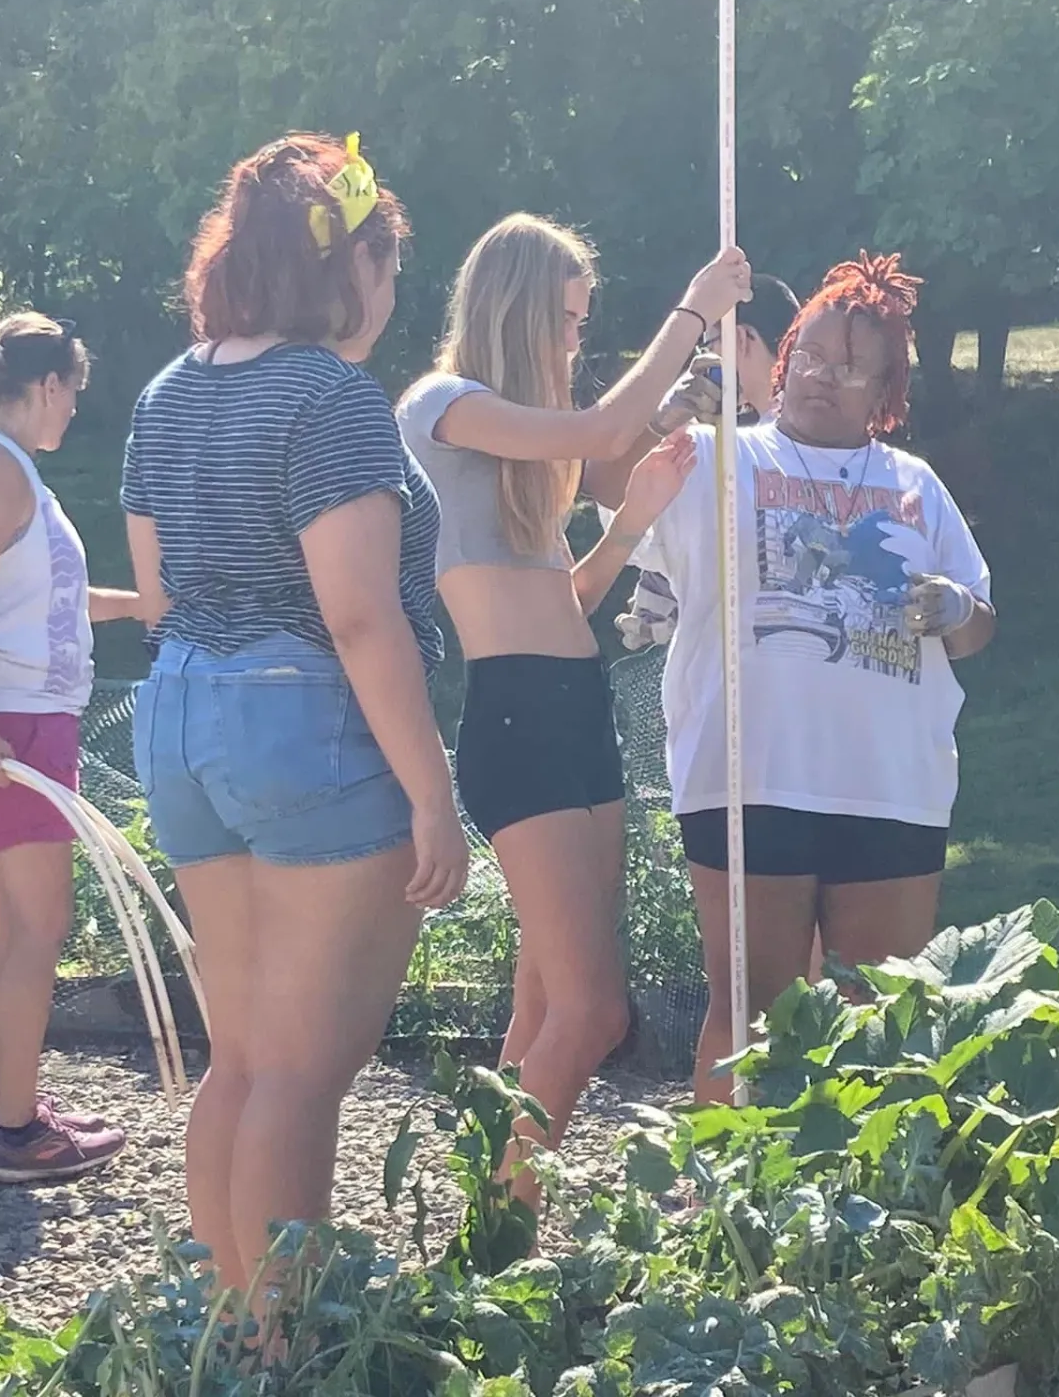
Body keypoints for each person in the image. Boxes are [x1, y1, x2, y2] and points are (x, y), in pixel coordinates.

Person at [122, 133, 468, 1297]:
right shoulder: (332, 397)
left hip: (178, 713)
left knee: (243, 1060)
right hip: (305, 726)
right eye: (387, 263)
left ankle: (227, 1330)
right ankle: (289, 1349)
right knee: (302, 1076)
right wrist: (432, 793)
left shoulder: (167, 391)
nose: (392, 289)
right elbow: (361, 619)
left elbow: (158, 596)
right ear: (345, 263)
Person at [586, 252, 996, 1106]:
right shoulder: (713, 458)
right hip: (747, 776)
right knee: (750, 1012)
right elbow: (601, 476)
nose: (818, 376)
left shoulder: (916, 486)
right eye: (807, 353)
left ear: (885, 391)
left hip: (890, 784)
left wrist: (956, 606)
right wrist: (670, 402)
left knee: (880, 1020)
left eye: (848, 367)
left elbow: (978, 627)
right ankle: (722, 1186)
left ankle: (860, 1189)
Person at [397, 214, 749, 1206]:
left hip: (576, 708)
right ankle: (500, 1232)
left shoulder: (524, 460)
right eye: (565, 319)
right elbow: (599, 432)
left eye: (582, 321)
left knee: (547, 1003)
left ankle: (494, 1219)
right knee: (594, 1013)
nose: (574, 339)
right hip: (517, 721)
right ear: (513, 310)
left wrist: (632, 520)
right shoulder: (442, 406)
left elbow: (570, 599)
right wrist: (694, 310)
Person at [0, 312, 146, 1184]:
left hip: (12, 719)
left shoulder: (2, 464)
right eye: (73, 393)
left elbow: (41, 597)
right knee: (38, 927)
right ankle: (19, 1132)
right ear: (50, 384)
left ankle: (0, 1106)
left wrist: (142, 606)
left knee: (9, 922)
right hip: (8, 726)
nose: (74, 410)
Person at [615, 273, 799, 653]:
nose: (704, 356)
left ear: (741, 340)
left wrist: (665, 423)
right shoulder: (815, 435)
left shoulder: (750, 451)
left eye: (710, 343)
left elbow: (639, 535)